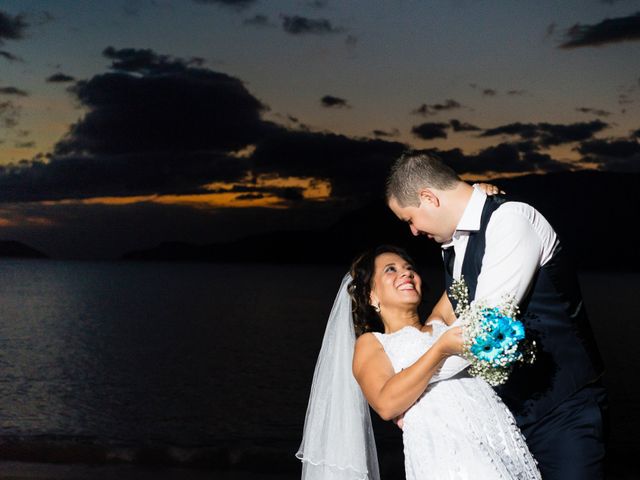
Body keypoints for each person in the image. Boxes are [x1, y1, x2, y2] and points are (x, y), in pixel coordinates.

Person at [385, 151, 606, 480]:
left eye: (409, 219)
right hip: (505, 422)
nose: (413, 231)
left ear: (428, 197)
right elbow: (444, 317)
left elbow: (482, 332)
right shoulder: (455, 249)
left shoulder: (509, 220)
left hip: (562, 414)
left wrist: (412, 385)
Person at [297, 245, 541, 480]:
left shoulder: (442, 322)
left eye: (409, 267)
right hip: (449, 451)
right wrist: (441, 350)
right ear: (372, 296)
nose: (406, 272)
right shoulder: (372, 343)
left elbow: (471, 269)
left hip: (499, 436)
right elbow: (385, 403)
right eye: (390, 269)